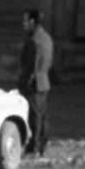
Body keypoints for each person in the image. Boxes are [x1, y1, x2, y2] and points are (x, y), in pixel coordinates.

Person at [18, 8, 54, 157]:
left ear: (32, 21)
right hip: (44, 81)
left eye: (25, 21)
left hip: (33, 83)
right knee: (42, 115)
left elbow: (30, 65)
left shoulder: (34, 41)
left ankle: (34, 147)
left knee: (34, 117)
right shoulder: (46, 37)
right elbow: (50, 61)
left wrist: (24, 82)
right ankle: (42, 145)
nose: (23, 24)